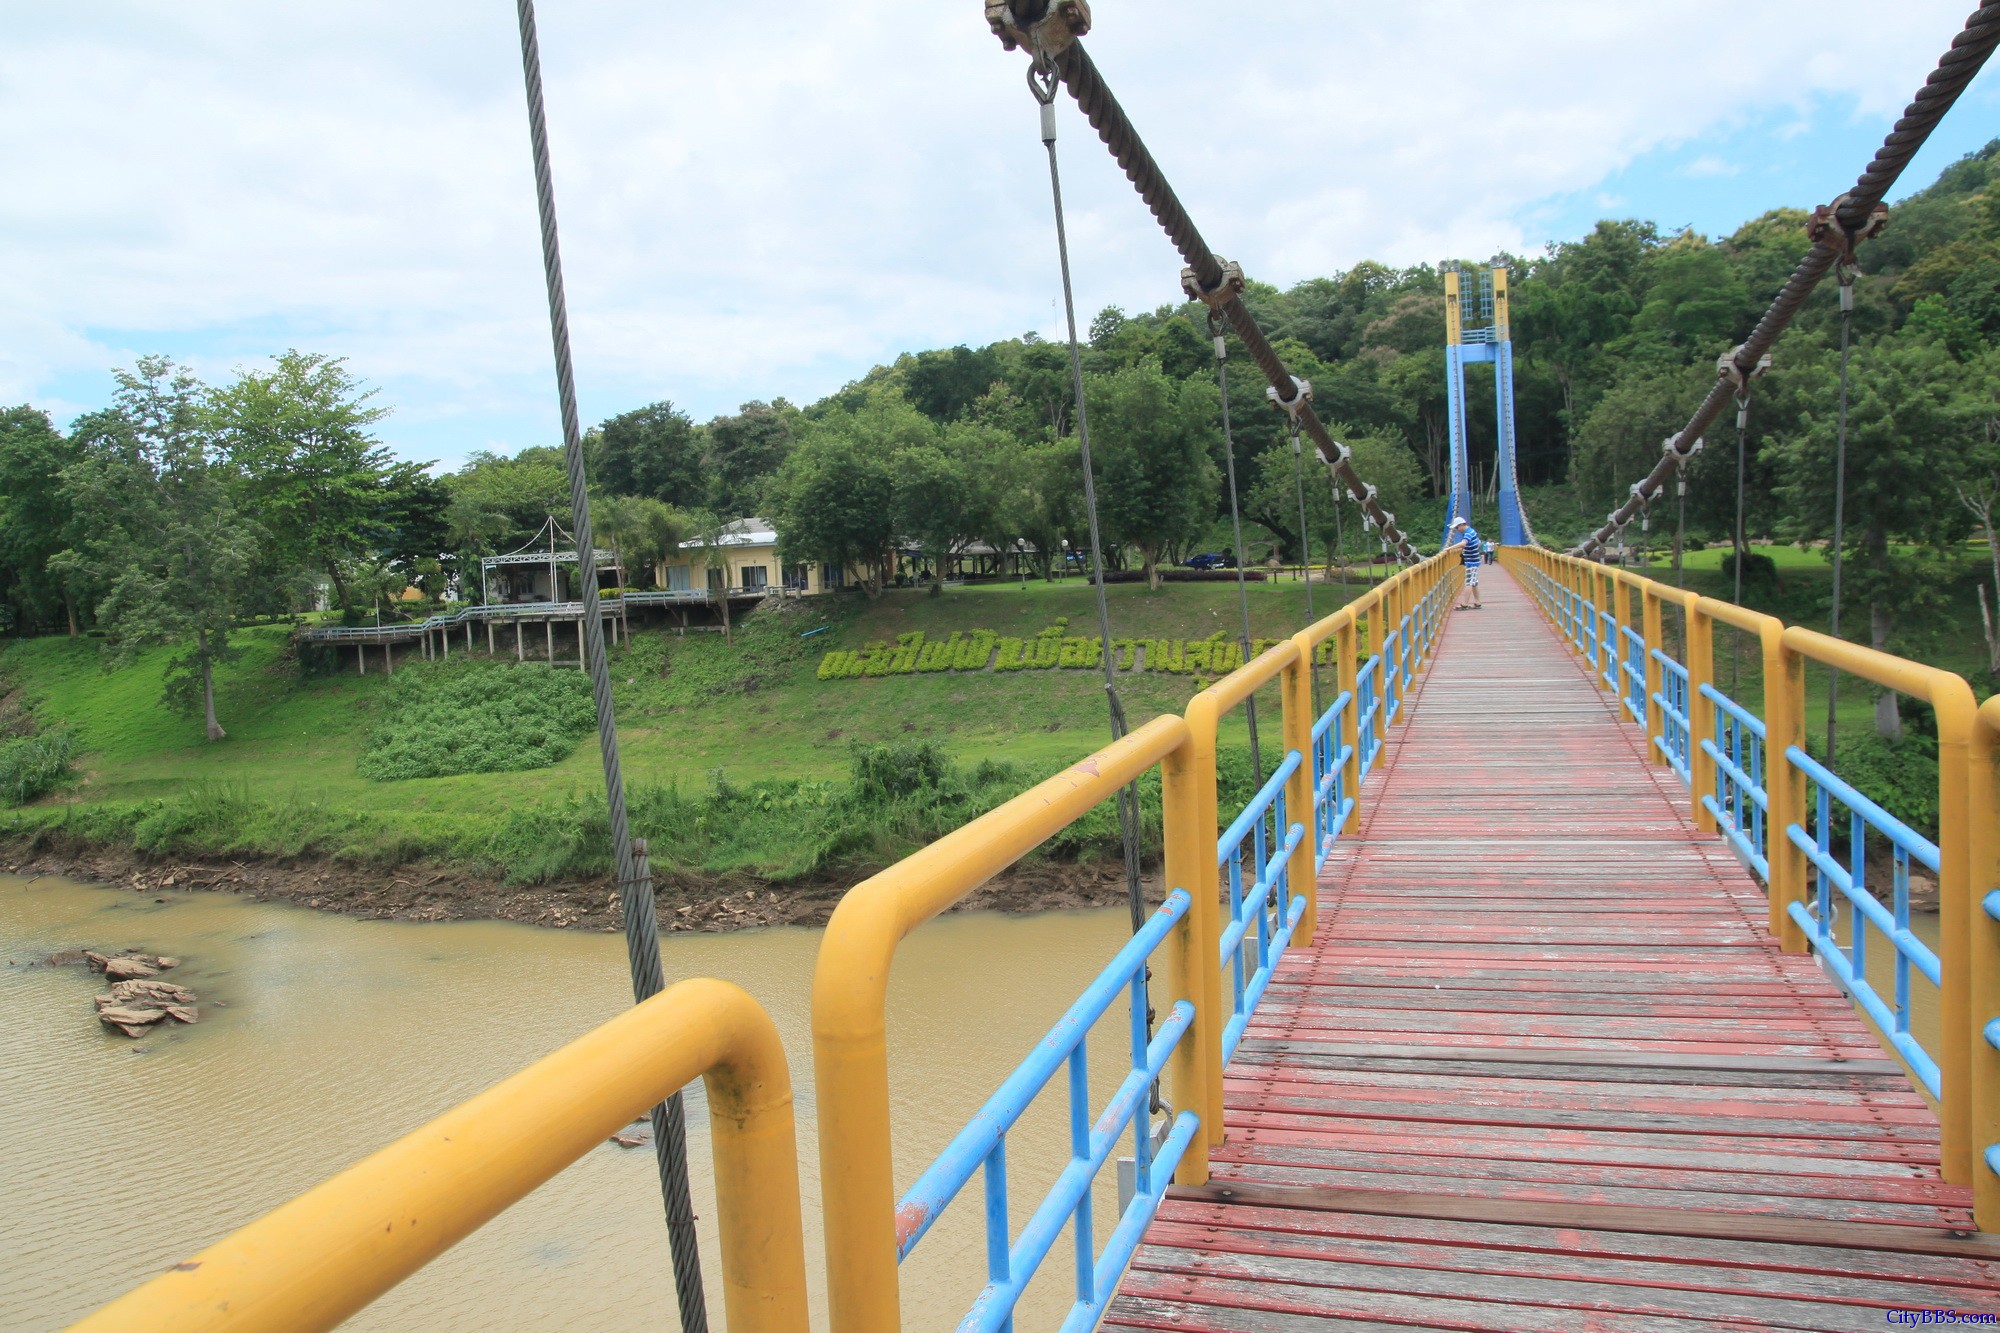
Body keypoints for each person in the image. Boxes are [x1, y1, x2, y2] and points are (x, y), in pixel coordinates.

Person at [1451, 517, 1483, 610]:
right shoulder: (1471, 531)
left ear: (1461, 525)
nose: (1457, 530)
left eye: (1457, 527)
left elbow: (1463, 543)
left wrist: (1449, 548)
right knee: (1474, 582)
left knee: (1468, 582)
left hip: (1472, 562)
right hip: (1473, 560)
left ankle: (1464, 604)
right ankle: (1478, 602)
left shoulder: (1468, 533)